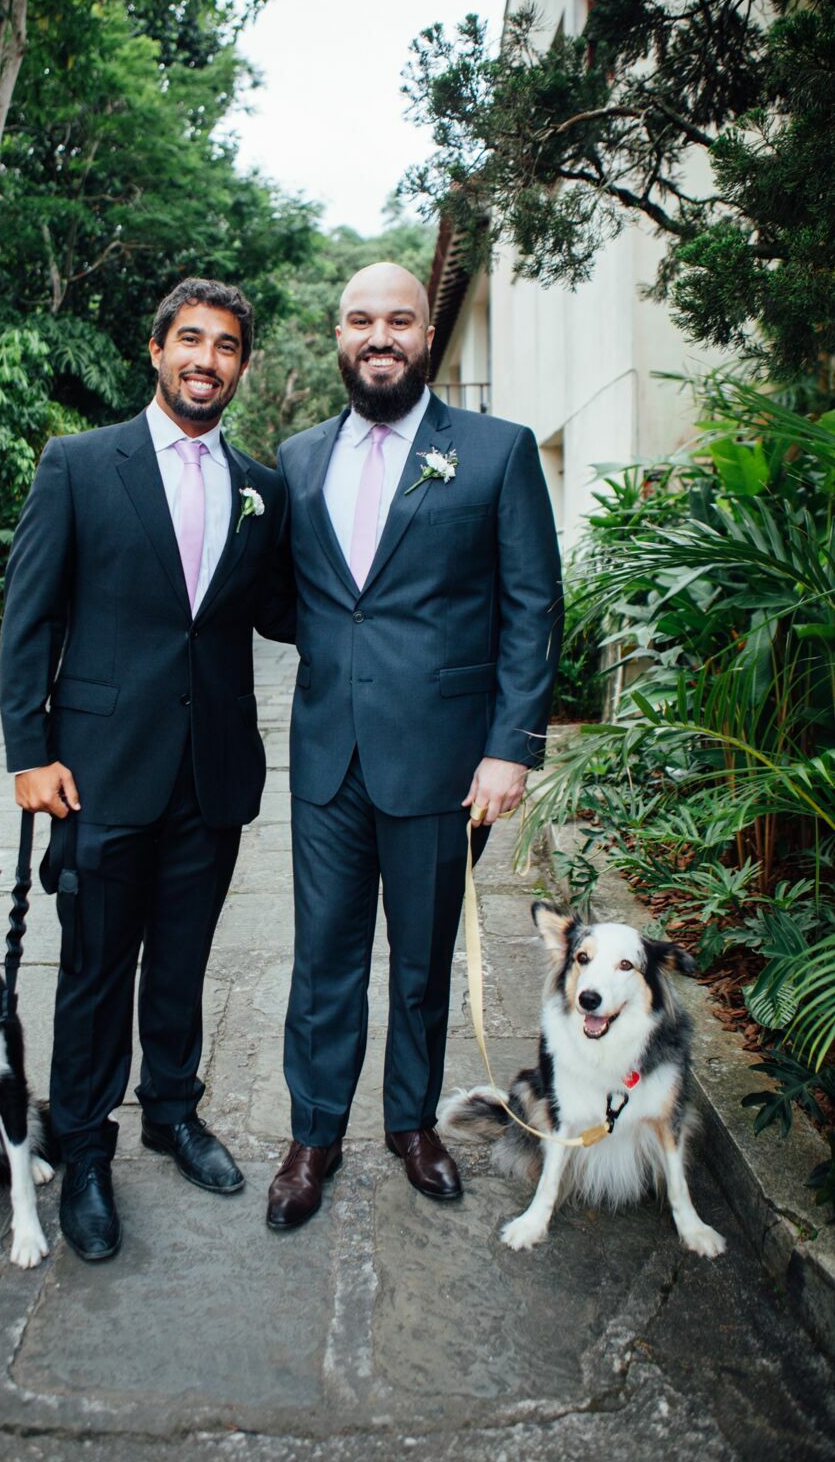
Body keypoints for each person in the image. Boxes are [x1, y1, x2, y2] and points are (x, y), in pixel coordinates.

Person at [0, 277, 293, 1262]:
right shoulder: (79, 465)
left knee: (180, 962)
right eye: (191, 340)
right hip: (100, 771)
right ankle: (84, 1147)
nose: (207, 360)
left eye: (226, 346)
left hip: (212, 772)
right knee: (93, 973)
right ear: (157, 348)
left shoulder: (262, 488)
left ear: (240, 366)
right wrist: (28, 753)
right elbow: (29, 616)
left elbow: (282, 610)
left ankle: (171, 1111)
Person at [267, 262, 562, 1229]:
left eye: (398, 320)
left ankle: (409, 1126)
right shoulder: (298, 458)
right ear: (338, 336)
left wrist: (510, 748)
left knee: (424, 961)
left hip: (444, 763)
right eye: (360, 320)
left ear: (427, 336)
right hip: (328, 757)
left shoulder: (494, 450)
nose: (379, 336)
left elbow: (532, 605)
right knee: (323, 960)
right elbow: (288, 597)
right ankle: (313, 1136)